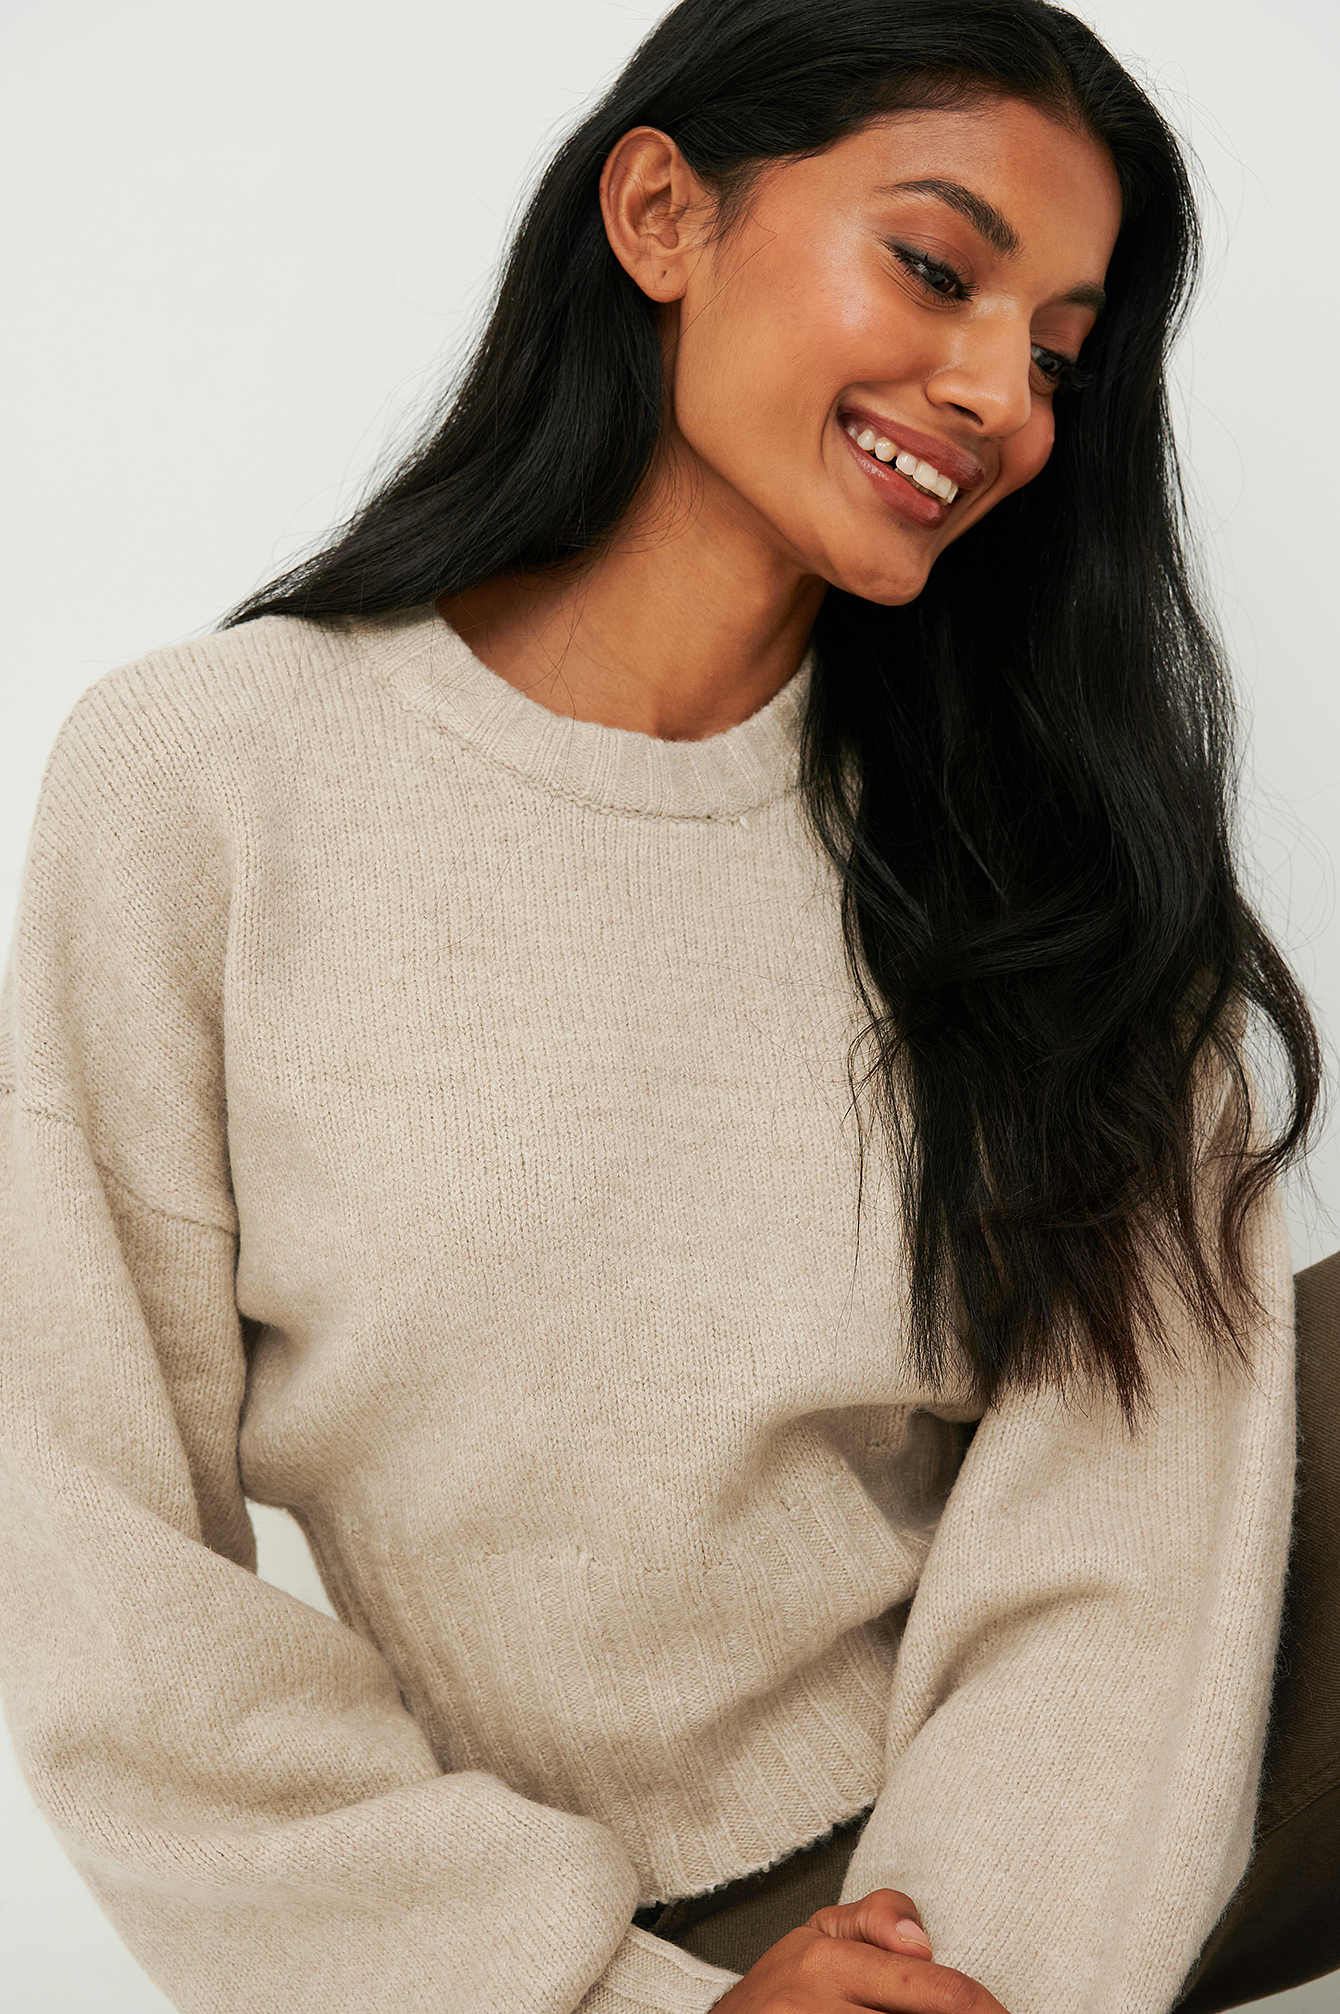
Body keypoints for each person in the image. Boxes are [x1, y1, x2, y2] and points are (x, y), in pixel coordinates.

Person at [0, 1, 1326, 2011]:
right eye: (935, 266)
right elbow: (87, 1559)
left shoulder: (1041, 854)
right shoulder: (206, 783)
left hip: (1050, 1831)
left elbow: (1125, 1543)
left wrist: (953, 1979)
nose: (1001, 397)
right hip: (562, 1918)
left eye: (1060, 356)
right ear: (658, 214)